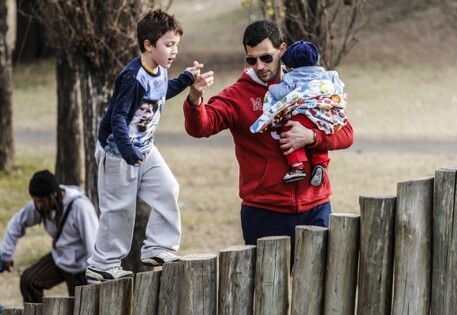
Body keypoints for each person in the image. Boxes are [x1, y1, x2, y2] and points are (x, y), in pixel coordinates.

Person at [183, 21, 353, 261]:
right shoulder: (237, 95)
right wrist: (195, 99)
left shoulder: (309, 85)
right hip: (264, 211)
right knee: (267, 293)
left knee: (317, 292)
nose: (260, 66)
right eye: (251, 60)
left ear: (282, 49)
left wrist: (312, 137)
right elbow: (201, 127)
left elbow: (346, 133)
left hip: (316, 206)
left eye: (266, 57)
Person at [85, 9, 206, 281]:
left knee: (168, 188)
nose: (174, 51)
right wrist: (127, 152)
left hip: (144, 147)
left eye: (176, 44)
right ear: (148, 45)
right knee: (119, 209)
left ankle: (158, 247)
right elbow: (117, 116)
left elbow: (162, 92)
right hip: (118, 151)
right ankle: (102, 265)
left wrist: (186, 79)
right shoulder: (132, 77)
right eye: (168, 45)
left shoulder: (160, 69)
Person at [250, 40, 348, 184]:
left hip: (303, 116)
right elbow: (338, 88)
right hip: (324, 115)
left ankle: (297, 167)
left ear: (290, 65)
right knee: (320, 134)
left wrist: (271, 87)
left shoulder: (292, 77)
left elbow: (281, 93)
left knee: (288, 132)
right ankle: (320, 164)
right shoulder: (325, 75)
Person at [0, 170, 98, 303]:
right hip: (59, 258)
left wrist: (93, 279)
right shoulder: (40, 206)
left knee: (82, 306)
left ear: (53, 195)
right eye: (35, 201)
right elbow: (17, 222)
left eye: (40, 201)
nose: (38, 205)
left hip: (81, 266)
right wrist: (6, 254)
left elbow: (93, 244)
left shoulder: (81, 207)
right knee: (29, 281)